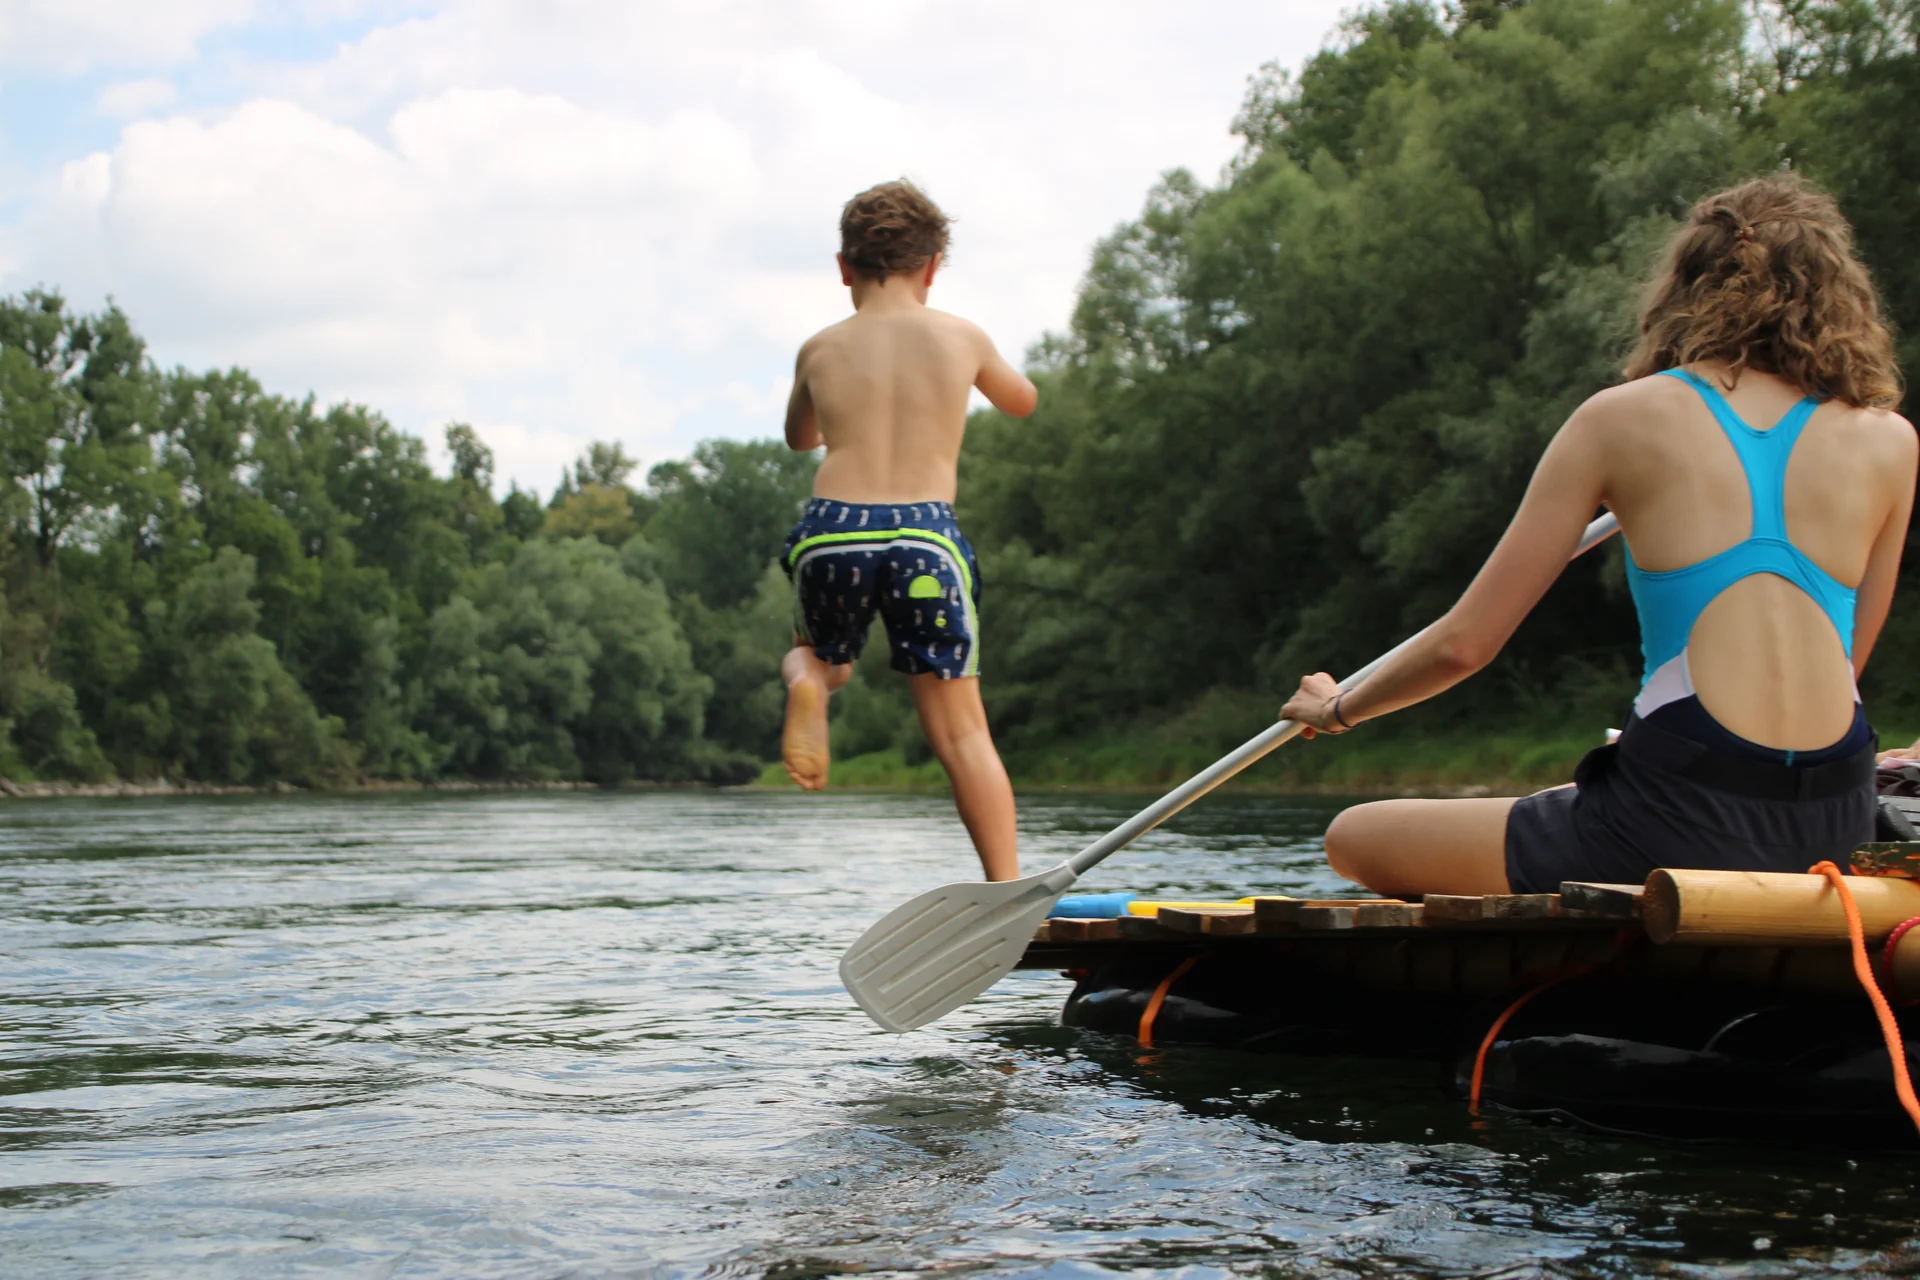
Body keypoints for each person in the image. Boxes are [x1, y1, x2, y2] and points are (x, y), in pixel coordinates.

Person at [1280, 173, 1915, 898]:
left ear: (1685, 289)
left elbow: (1466, 643)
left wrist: (1336, 706)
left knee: (1354, 836)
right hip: (1832, 822)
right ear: (1836, 292)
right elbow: (1844, 662)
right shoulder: (1892, 441)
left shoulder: (1618, 418)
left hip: (1669, 826)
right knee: (1611, 779)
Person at [778, 180, 1037, 881]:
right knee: (961, 732)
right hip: (925, 537)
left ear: (843, 268)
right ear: (932, 267)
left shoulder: (820, 348)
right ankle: (1005, 888)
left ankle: (808, 683)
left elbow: (800, 436)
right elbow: (1022, 400)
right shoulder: (958, 335)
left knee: (821, 660)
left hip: (835, 531)